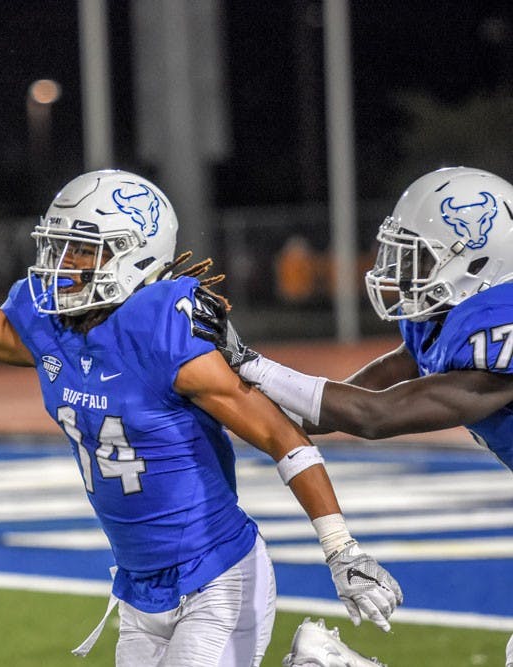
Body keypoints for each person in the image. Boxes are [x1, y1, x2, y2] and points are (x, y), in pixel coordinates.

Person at [0, 131, 402, 667]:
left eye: (82, 248)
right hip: (139, 590)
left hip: (216, 578)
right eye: (58, 245)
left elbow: (282, 437)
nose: (61, 262)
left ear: (134, 253)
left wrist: (341, 550)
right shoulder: (52, 323)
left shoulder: (165, 329)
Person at [195, 165, 513, 667]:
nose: (402, 273)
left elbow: (375, 416)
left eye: (421, 258)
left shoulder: (498, 329)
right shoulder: (446, 323)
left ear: (477, 262)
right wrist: (224, 391)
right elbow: (342, 405)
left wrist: (247, 360)